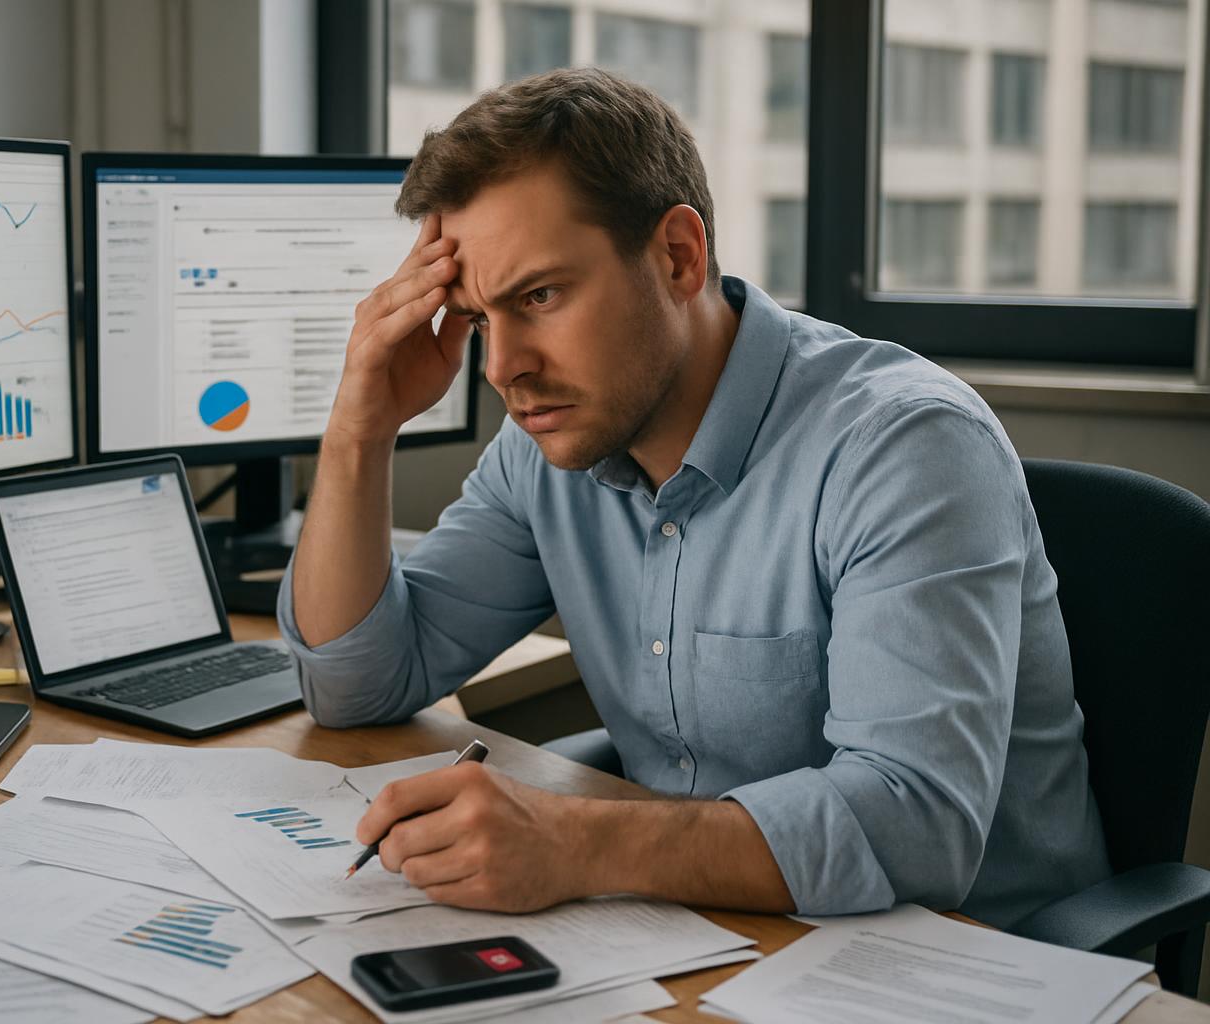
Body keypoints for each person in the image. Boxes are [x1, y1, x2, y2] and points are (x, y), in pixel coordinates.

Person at [276, 67, 1109, 926]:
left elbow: (914, 827)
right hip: (707, 932)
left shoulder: (903, 448)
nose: (501, 368)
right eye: (482, 318)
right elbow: (356, 687)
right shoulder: (546, 448)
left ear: (678, 255)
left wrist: (570, 840)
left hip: (971, 963)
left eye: (541, 295)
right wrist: (358, 431)